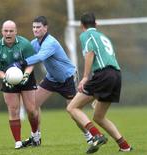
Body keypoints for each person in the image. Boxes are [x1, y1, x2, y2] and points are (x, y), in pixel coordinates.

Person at [14, 16, 93, 147]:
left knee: (73, 112)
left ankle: (90, 136)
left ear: (46, 28)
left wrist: (21, 63)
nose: (35, 29)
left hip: (68, 78)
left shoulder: (50, 42)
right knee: (32, 107)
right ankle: (36, 137)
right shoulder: (34, 43)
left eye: (38, 27)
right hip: (51, 79)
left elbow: (40, 57)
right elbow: (25, 52)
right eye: (34, 27)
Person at [66, 12, 132, 154]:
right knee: (99, 117)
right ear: (96, 24)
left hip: (103, 74)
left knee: (72, 108)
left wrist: (85, 77)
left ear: (81, 26)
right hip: (116, 75)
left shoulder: (85, 35)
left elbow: (90, 53)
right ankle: (125, 146)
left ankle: (97, 135)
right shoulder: (104, 36)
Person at [0, 20, 39, 149]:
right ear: (2, 31)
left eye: (11, 31)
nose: (8, 33)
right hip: (8, 79)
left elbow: (31, 63)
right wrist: (5, 78)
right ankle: (18, 142)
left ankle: (35, 134)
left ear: (16, 32)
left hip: (26, 77)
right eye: (6, 31)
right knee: (13, 110)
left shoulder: (25, 44)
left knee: (31, 111)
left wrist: (26, 75)